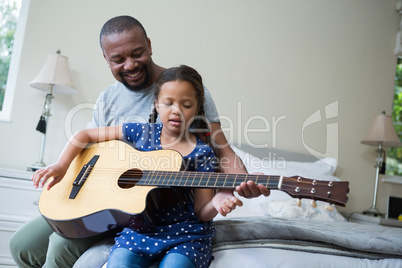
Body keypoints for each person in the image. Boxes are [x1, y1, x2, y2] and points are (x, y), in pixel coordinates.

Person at [9, 15, 269, 268]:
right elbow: (90, 145)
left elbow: (221, 148)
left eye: (137, 54)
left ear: (150, 45)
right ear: (106, 60)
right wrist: (62, 166)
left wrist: (241, 182)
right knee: (21, 245)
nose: (130, 65)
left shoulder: (183, 89)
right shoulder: (108, 98)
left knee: (58, 249)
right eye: (118, 59)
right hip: (92, 192)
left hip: (136, 211)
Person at [32, 65, 242, 268]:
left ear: (198, 109)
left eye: (186, 105)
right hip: (140, 230)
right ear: (156, 104)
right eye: (168, 103)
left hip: (185, 235)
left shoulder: (203, 153)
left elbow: (201, 211)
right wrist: (62, 165)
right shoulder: (142, 132)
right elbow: (85, 135)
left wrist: (217, 201)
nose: (176, 111)